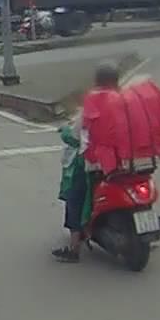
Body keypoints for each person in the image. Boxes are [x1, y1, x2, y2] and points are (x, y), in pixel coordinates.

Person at [52, 63, 122, 263]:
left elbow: (76, 136)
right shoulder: (126, 101)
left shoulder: (95, 103)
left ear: (97, 81)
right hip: (125, 161)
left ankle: (74, 248)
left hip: (95, 164)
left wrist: (65, 131)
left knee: (75, 196)